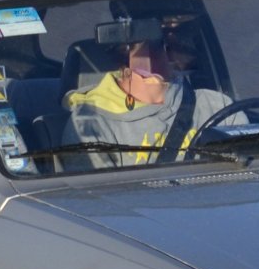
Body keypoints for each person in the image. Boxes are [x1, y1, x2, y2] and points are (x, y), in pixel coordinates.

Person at [61, 16, 233, 167]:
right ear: (122, 59)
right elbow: (98, 197)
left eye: (159, 47)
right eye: (140, 50)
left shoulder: (217, 107)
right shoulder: (89, 124)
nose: (150, 61)